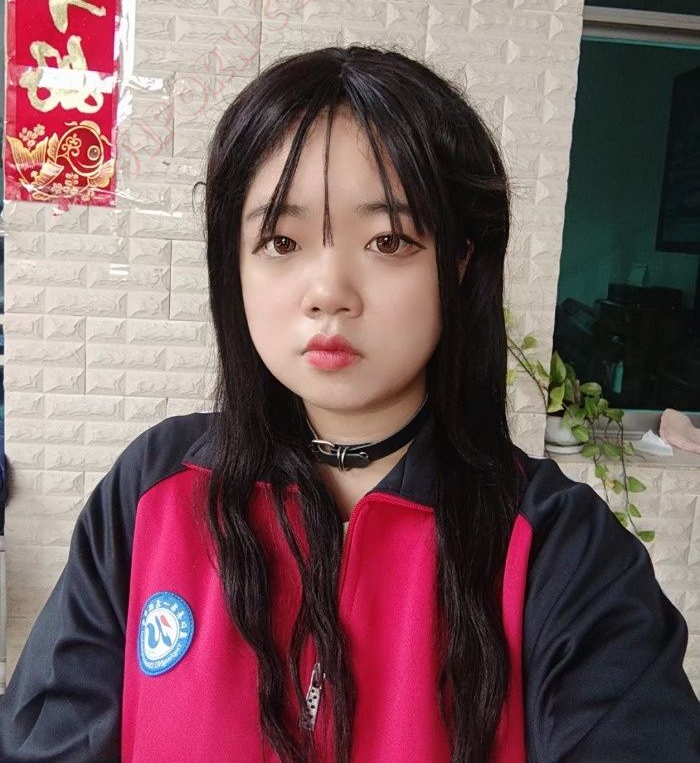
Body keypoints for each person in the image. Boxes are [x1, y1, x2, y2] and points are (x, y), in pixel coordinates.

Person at [0, 45, 698, 762]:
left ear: (459, 261)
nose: (329, 291)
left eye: (388, 240)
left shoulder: (557, 549)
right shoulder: (153, 492)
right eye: (281, 240)